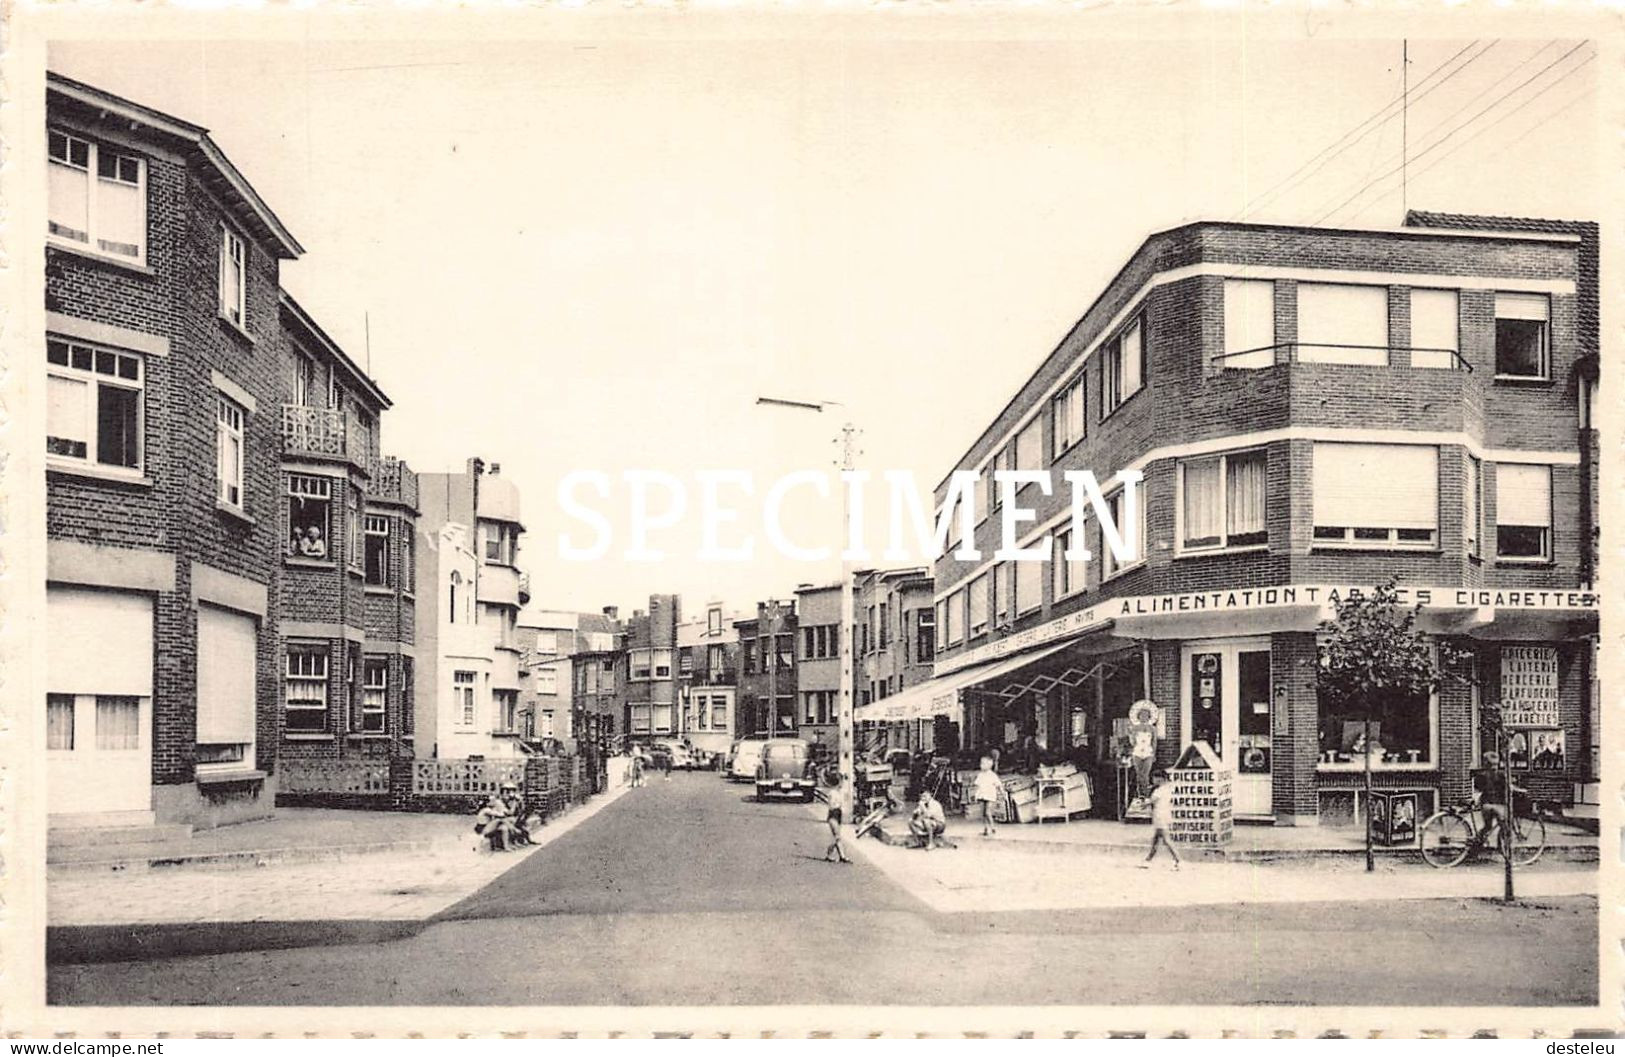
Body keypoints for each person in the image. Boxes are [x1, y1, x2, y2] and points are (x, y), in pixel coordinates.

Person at [1473, 749, 1525, 852]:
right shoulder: (1499, 775)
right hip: (1495, 805)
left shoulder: (1480, 775)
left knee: (1487, 827)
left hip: (1485, 805)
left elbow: (1478, 789)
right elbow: (1509, 787)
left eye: (1495, 765)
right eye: (1493, 765)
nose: (1494, 767)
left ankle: (1476, 844)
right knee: (1505, 824)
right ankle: (1503, 848)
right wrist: (1521, 790)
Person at [1140, 770, 1181, 870]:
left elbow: (1151, 801)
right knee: (1156, 839)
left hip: (1160, 815)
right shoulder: (1166, 788)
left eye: (1154, 778)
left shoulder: (1159, 791)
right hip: (1163, 814)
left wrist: (1143, 804)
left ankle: (1178, 860)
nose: (1153, 780)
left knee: (1166, 840)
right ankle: (1148, 860)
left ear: (1160, 778)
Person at [819, 771, 851, 864]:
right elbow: (832, 805)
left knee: (837, 837)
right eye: (841, 782)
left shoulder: (838, 792)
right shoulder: (833, 793)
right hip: (833, 815)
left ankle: (842, 856)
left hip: (838, 814)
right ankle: (829, 855)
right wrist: (839, 805)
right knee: (836, 837)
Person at [971, 755, 1003, 838]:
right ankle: (985, 828)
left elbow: (998, 784)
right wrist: (975, 794)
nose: (981, 765)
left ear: (989, 765)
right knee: (983, 813)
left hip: (990, 796)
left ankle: (992, 827)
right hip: (982, 795)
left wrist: (1002, 793)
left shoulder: (992, 775)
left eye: (984, 764)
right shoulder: (980, 775)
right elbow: (977, 785)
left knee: (987, 812)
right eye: (981, 763)